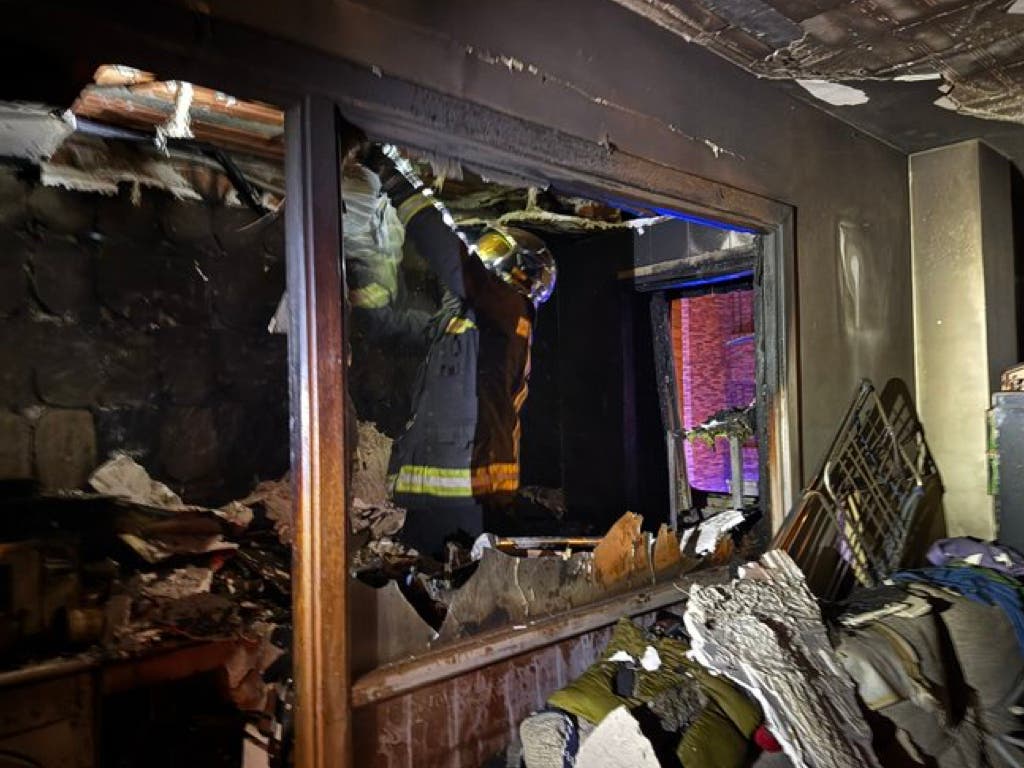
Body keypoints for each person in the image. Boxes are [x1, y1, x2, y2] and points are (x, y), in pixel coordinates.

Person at [354, 144, 556, 557]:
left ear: (518, 273)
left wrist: (394, 180)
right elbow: (392, 326)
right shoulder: (464, 325)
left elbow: (452, 260)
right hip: (439, 495)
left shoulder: (509, 310)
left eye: (492, 256)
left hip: (468, 493)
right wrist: (359, 286)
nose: (483, 261)